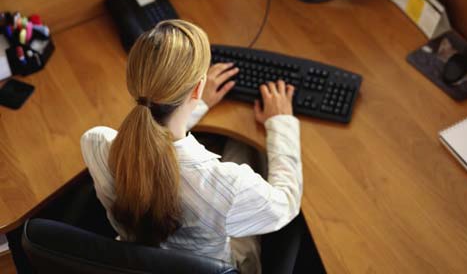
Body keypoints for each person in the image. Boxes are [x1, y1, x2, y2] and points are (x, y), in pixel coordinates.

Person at [81, 20, 302, 274]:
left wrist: (196, 104)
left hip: (137, 262)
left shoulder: (96, 144)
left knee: (235, 150)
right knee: (247, 150)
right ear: (198, 88)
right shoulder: (227, 186)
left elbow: (154, 133)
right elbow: (286, 203)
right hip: (218, 266)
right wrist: (281, 122)